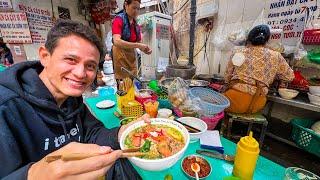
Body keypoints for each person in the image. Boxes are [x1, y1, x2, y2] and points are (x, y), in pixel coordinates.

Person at [0, 19, 147, 180]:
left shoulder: (71, 98)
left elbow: (92, 133)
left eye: (90, 65)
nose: (80, 73)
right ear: (45, 56)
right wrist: (33, 175)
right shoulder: (6, 108)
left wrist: (121, 133)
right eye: (71, 60)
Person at [224, 25, 295, 114]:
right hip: (257, 103)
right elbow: (290, 76)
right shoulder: (276, 55)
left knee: (213, 102)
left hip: (234, 99)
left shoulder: (239, 52)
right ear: (267, 41)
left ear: (249, 39)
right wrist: (274, 75)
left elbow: (227, 76)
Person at [112, 0, 152, 80]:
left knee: (133, 80)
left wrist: (145, 49)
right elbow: (116, 41)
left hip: (131, 57)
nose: (136, 11)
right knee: (123, 83)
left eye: (138, 9)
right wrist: (137, 45)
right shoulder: (119, 19)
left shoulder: (136, 25)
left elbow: (139, 42)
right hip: (120, 56)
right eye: (134, 8)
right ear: (126, 5)